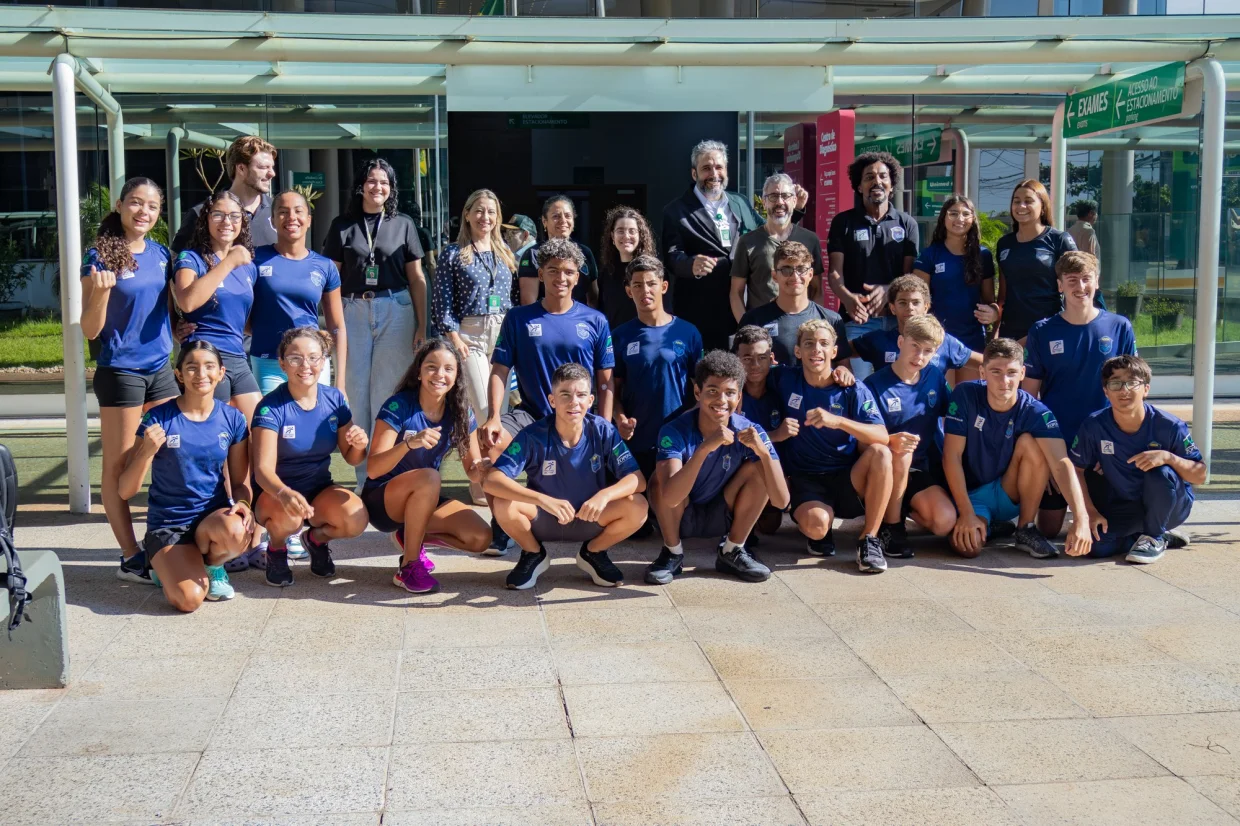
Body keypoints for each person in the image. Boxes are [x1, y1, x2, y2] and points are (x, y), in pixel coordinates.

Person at [480, 237, 615, 555]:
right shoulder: (518, 318)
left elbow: (606, 381)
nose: (560, 278)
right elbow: (499, 371)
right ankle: (503, 525)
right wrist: (494, 417)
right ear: (540, 274)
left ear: (577, 277)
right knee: (490, 441)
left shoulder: (595, 320)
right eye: (553, 271)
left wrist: (605, 425)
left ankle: (593, 542)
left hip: (579, 417)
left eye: (568, 271)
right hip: (531, 414)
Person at [80, 177, 178, 584]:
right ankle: (130, 555)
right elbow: (90, 329)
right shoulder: (99, 256)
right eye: (136, 203)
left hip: (161, 369)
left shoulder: (161, 254)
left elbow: (162, 307)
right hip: (121, 371)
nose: (144, 211)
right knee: (118, 467)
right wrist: (102, 292)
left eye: (152, 206)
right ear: (119, 205)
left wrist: (180, 329)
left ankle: (170, 539)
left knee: (171, 451)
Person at [485, 363, 647, 590]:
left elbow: (637, 479)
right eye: (565, 395)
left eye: (581, 395)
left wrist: (605, 496)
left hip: (590, 516)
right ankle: (533, 553)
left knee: (638, 505)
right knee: (503, 502)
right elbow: (492, 480)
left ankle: (594, 552)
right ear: (552, 400)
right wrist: (542, 499)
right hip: (544, 518)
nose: (574, 402)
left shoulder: (603, 430)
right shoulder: (533, 435)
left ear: (590, 400)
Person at [117, 341, 253, 612]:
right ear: (179, 374)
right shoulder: (158, 418)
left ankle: (213, 566)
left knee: (237, 529)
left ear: (221, 373)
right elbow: (125, 490)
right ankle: (162, 565)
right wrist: (146, 453)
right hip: (169, 524)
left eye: (209, 366)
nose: (201, 374)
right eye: (192, 367)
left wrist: (243, 504)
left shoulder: (233, 419)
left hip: (211, 520)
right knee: (188, 600)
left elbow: (240, 484)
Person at [324, 158, 428, 487]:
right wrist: (329, 324)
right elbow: (330, 279)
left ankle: (385, 474)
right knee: (355, 391)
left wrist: (422, 325)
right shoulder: (342, 225)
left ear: (392, 188)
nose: (377, 187)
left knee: (388, 391)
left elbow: (417, 278)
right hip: (352, 309)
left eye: (384, 182)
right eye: (371, 180)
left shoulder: (404, 224)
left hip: (396, 309)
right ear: (361, 185)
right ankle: (363, 479)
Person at [942, 338, 1093, 559]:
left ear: (1022, 373)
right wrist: (966, 513)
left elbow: (1062, 464)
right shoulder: (965, 394)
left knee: (1032, 443)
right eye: (996, 372)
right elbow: (951, 456)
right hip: (971, 494)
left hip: (1008, 491)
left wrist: (1081, 519)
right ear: (982, 372)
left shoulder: (1036, 411)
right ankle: (991, 526)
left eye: (1011, 372)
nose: (1004, 381)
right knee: (969, 547)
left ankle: (1025, 528)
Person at [363, 339, 494, 594]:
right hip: (383, 499)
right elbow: (373, 469)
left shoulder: (461, 411)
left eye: (448, 369)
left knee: (480, 538)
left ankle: (409, 536)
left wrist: (484, 468)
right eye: (431, 367)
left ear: (457, 376)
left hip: (424, 495)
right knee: (431, 477)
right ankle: (409, 566)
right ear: (419, 372)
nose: (439, 374)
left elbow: (472, 471)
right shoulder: (398, 405)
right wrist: (408, 444)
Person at [648, 350, 789, 584]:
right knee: (659, 480)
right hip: (681, 514)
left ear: (739, 396)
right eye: (713, 391)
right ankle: (672, 553)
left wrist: (763, 453)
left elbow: (782, 501)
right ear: (698, 392)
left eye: (730, 393)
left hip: (722, 512)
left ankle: (732, 551)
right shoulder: (674, 430)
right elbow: (671, 497)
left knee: (759, 469)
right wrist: (704, 448)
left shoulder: (750, 431)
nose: (721, 400)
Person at [1023, 251, 1136, 536]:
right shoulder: (1042, 330)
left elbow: (1133, 391)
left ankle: (1153, 528)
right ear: (1060, 285)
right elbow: (1028, 398)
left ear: (1097, 281)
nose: (1080, 286)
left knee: (1108, 529)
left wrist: (1116, 443)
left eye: (1086, 279)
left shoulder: (1119, 326)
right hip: (1058, 440)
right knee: (1049, 530)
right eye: (1072, 280)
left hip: (1102, 441)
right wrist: (1046, 456)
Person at [250, 328, 369, 588]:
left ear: (323, 362)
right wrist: (284, 494)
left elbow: (352, 458)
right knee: (290, 518)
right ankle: (277, 549)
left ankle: (316, 540)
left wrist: (360, 444)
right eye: (295, 358)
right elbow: (262, 471)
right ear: (282, 364)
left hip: (318, 490)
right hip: (275, 494)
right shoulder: (270, 407)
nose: (306, 366)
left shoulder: (335, 399)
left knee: (356, 518)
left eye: (313, 358)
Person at [771, 320, 893, 571]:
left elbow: (882, 435)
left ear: (834, 351)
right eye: (809, 344)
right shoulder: (784, 378)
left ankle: (869, 540)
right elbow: (753, 375)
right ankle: (820, 529)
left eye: (824, 344)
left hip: (847, 476)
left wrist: (838, 421)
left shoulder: (852, 387)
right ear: (798, 351)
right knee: (817, 526)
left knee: (881, 453)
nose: (816, 349)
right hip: (806, 478)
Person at [1070, 355, 1203, 563]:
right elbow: (1075, 470)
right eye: (1115, 383)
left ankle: (1154, 537)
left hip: (1171, 505)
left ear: (1146, 389)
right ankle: (1147, 536)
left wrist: (1169, 458)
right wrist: (1089, 512)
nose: (1124, 390)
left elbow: (1200, 475)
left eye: (1132, 383)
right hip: (1129, 506)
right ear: (1106, 391)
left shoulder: (1169, 426)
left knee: (1159, 472)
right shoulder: (1094, 426)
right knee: (1094, 547)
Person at [863, 315, 956, 559]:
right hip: (882, 469)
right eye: (915, 346)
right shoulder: (873, 385)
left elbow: (954, 414)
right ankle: (891, 527)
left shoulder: (934, 377)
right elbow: (861, 443)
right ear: (900, 342)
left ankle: (903, 507)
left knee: (944, 522)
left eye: (928, 351)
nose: (919, 356)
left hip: (918, 469)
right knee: (901, 451)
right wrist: (889, 440)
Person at [662, 139, 763, 352]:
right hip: (700, 312)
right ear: (694, 174)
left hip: (741, 309)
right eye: (706, 168)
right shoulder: (676, 211)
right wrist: (690, 264)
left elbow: (766, 232)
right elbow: (672, 256)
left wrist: (794, 212)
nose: (714, 173)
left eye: (719, 167)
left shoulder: (740, 202)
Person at [826, 151, 919, 378]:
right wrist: (848, 298)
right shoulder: (843, 222)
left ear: (891, 184)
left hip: (899, 322)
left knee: (898, 385)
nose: (876, 181)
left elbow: (910, 276)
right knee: (856, 386)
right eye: (869, 177)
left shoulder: (907, 223)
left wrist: (889, 290)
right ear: (859, 186)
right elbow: (834, 273)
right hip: (858, 321)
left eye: (883, 176)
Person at [612, 254, 703, 481]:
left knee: (673, 498)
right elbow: (612, 390)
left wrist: (693, 421)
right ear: (628, 291)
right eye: (637, 285)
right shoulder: (620, 336)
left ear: (663, 286)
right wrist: (620, 419)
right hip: (637, 440)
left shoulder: (688, 332)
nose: (645, 290)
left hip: (678, 440)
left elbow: (702, 389)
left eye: (651, 283)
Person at [433, 188, 519, 428]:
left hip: (502, 333)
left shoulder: (505, 253)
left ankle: (487, 454)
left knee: (500, 412)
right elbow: (441, 301)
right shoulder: (453, 253)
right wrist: (454, 338)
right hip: (470, 337)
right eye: (479, 211)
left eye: (491, 212)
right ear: (467, 214)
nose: (485, 217)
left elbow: (514, 297)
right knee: (485, 410)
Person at [172, 190, 261, 419]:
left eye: (234, 216)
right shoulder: (190, 258)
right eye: (218, 214)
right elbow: (187, 302)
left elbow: (244, 320)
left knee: (260, 426)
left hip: (238, 356)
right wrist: (229, 262)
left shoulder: (248, 267)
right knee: (213, 428)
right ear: (206, 219)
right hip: (205, 356)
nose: (227, 222)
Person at [249, 190, 346, 396]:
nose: (291, 217)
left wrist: (340, 383)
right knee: (270, 417)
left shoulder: (325, 266)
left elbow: (337, 327)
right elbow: (238, 310)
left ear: (308, 220)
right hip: (269, 362)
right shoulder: (254, 260)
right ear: (273, 220)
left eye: (298, 211)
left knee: (313, 416)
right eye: (283, 212)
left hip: (311, 362)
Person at [996, 178, 1087, 344]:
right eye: (1016, 201)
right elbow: (1003, 295)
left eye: (1028, 201)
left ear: (1043, 206)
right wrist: (995, 332)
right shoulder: (1004, 243)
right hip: (1011, 332)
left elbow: (1077, 286)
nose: (1021, 206)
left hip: (1050, 329)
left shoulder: (1059, 240)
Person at [739, 240, 850, 368]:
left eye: (801, 269)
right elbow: (738, 369)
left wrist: (843, 371)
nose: (795, 276)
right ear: (774, 275)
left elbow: (844, 368)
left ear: (810, 274)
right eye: (786, 269)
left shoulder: (831, 320)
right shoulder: (754, 320)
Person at [912, 193, 997, 360]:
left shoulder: (983, 255)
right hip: (937, 339)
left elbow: (989, 301)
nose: (960, 219)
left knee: (972, 378)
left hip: (973, 339)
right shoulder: (929, 255)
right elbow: (918, 301)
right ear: (944, 217)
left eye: (966, 214)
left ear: (973, 219)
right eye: (953, 213)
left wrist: (993, 312)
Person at [731, 173, 825, 321]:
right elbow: (736, 293)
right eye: (773, 196)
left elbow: (817, 290)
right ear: (764, 202)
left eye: (786, 196)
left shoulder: (810, 240)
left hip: (801, 328)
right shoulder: (747, 242)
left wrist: (814, 326)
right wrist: (746, 327)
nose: (780, 202)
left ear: (794, 201)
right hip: (761, 328)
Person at [850, 275, 981, 378]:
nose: (910, 308)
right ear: (892, 308)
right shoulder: (878, 339)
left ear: (926, 307)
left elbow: (986, 362)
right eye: (903, 303)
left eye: (916, 302)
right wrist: (843, 368)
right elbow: (841, 351)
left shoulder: (944, 341)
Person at [171, 136, 277, 253]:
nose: (272, 173)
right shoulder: (202, 213)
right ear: (241, 169)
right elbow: (176, 259)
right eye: (264, 167)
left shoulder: (280, 211)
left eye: (272, 167)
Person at [731, 325, 789, 537]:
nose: (755, 365)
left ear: (771, 358)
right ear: (736, 359)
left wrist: (841, 370)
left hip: (772, 471)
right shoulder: (730, 393)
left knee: (770, 526)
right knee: (756, 464)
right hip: (733, 474)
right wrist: (775, 436)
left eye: (761, 358)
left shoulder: (781, 389)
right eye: (747, 358)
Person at [517, 195, 599, 307]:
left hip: (579, 316)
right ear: (544, 221)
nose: (563, 220)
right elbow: (528, 304)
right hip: (543, 316)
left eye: (568, 216)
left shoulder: (585, 252)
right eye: (556, 216)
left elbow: (593, 299)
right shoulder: (533, 254)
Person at [597, 206, 659, 332]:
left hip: (644, 337)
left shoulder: (653, 272)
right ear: (612, 236)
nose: (626, 236)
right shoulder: (606, 272)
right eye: (620, 231)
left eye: (632, 231)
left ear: (640, 235)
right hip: (614, 339)